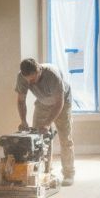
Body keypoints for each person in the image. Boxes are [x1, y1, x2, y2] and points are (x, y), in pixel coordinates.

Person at [14, 58, 75, 186]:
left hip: (62, 103)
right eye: (29, 80)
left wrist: (47, 123)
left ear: (39, 70)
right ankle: (46, 172)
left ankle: (68, 174)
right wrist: (23, 121)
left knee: (65, 139)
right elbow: (21, 101)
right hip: (42, 103)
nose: (31, 83)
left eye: (34, 79)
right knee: (37, 140)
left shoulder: (52, 75)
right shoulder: (22, 77)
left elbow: (59, 102)